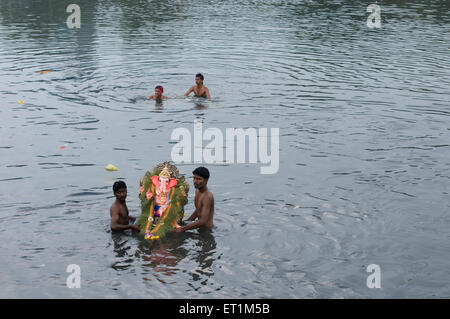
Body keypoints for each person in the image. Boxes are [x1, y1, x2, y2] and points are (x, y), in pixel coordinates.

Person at [176, 167, 214, 232]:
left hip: (207, 231)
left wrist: (182, 228)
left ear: (206, 180)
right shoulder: (197, 191)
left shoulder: (207, 197)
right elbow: (198, 210)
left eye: (199, 179)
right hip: (199, 227)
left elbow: (203, 221)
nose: (195, 181)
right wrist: (187, 221)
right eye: (194, 178)